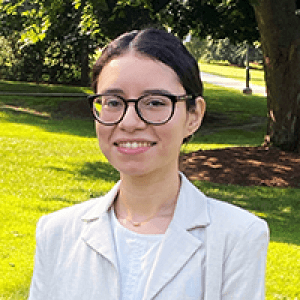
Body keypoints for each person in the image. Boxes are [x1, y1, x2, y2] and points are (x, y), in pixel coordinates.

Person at [29, 28, 269, 300]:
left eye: (155, 102)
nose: (129, 122)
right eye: (112, 102)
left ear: (193, 115)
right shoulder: (56, 233)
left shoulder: (237, 237)